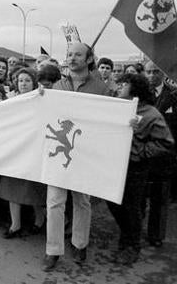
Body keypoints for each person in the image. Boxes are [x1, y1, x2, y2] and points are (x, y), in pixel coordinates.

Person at [43, 42, 110, 272]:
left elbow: (110, 120)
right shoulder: (57, 86)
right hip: (59, 156)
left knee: (82, 201)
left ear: (89, 59)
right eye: (69, 54)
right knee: (54, 202)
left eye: (77, 55)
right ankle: (52, 250)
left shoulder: (101, 88)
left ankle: (80, 244)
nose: (72, 59)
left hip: (86, 155)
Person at [107, 73, 174, 265]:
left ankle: (132, 245)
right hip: (114, 165)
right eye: (118, 84)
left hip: (135, 168)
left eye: (124, 84)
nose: (119, 87)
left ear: (135, 88)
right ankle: (127, 235)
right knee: (113, 203)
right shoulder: (117, 108)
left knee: (131, 207)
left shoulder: (151, 113)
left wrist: (140, 151)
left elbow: (166, 143)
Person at [0, 68, 47, 239]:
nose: (23, 84)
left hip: (32, 148)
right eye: (20, 81)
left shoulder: (41, 98)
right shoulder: (12, 100)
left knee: (32, 187)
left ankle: (39, 219)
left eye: (27, 80)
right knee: (12, 186)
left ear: (34, 82)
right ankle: (15, 224)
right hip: (15, 148)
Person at [143, 61, 177, 247]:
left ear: (162, 73)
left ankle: (155, 235)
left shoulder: (173, 96)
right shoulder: (138, 95)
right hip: (141, 153)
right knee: (139, 197)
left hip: (164, 156)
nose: (152, 75)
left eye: (156, 71)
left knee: (159, 198)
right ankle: (134, 229)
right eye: (148, 72)